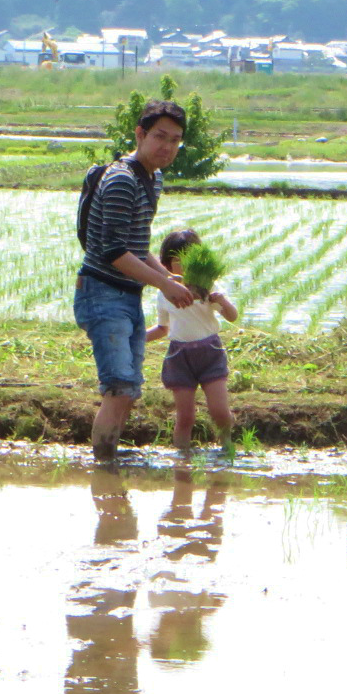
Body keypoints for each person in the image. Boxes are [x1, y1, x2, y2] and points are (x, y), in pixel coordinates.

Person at [73, 99, 196, 461]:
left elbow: (138, 247)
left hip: (126, 295)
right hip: (102, 292)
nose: (168, 147)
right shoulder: (122, 181)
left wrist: (169, 277)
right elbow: (113, 252)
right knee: (119, 387)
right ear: (140, 134)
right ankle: (104, 473)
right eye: (160, 137)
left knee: (129, 389)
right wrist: (165, 285)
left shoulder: (152, 179)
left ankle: (109, 463)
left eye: (175, 140)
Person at [146, 228, 238, 449]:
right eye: (178, 260)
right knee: (185, 417)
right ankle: (182, 464)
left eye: (189, 258)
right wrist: (134, 339)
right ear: (167, 263)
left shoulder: (209, 288)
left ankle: (227, 447)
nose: (183, 265)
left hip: (210, 353)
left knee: (219, 412)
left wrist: (223, 302)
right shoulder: (165, 292)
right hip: (180, 357)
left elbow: (232, 316)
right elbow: (162, 328)